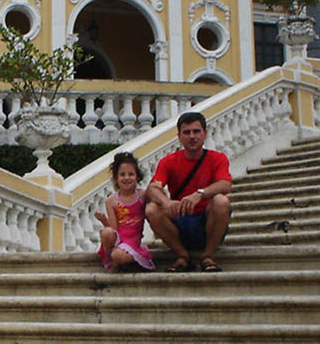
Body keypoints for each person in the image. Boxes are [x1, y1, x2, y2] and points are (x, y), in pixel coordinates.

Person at [144, 111, 232, 272]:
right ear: (179, 136)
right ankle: (182, 255)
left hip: (207, 221)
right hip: (180, 221)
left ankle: (208, 256)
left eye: (196, 131)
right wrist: (166, 202)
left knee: (221, 201)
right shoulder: (168, 162)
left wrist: (200, 194)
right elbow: (152, 188)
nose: (192, 136)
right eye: (186, 132)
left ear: (205, 134)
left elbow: (225, 184)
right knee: (152, 208)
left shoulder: (217, 158)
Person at [94, 151, 154, 271]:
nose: (126, 178)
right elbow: (114, 229)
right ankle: (113, 259)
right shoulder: (111, 201)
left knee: (118, 255)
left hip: (133, 241)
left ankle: (127, 258)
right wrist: (104, 221)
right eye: (122, 174)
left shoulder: (142, 196)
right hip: (118, 240)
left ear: (137, 177)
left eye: (131, 174)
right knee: (106, 232)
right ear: (116, 178)